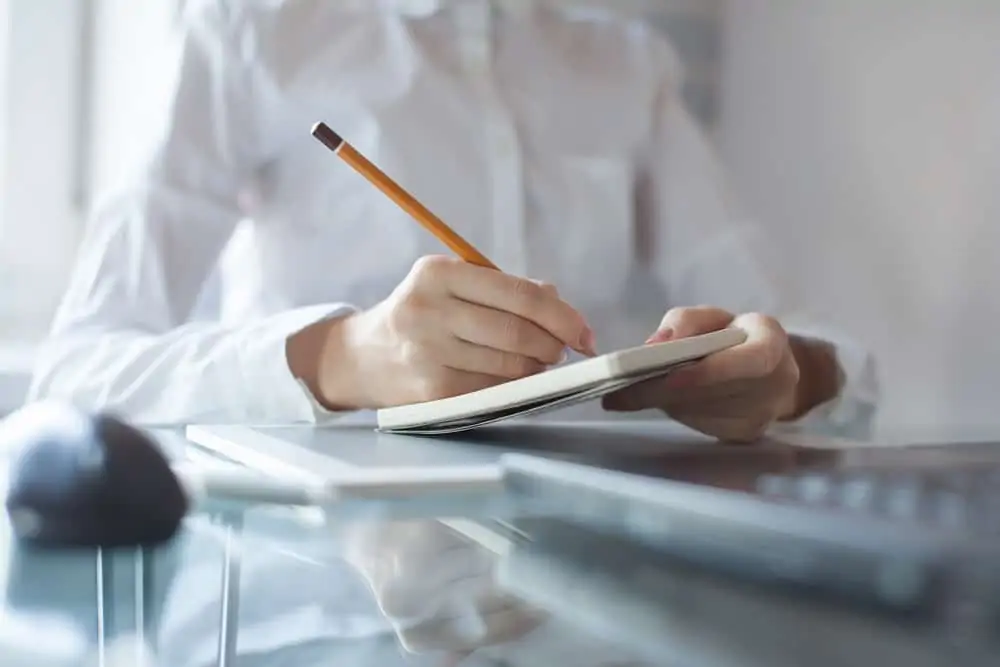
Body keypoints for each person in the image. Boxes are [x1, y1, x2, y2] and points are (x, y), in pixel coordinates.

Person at [28, 0, 878, 443]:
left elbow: (826, 352)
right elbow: (74, 376)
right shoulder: (250, 36)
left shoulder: (625, 65)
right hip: (315, 613)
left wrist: (787, 373)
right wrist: (341, 357)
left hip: (595, 599)